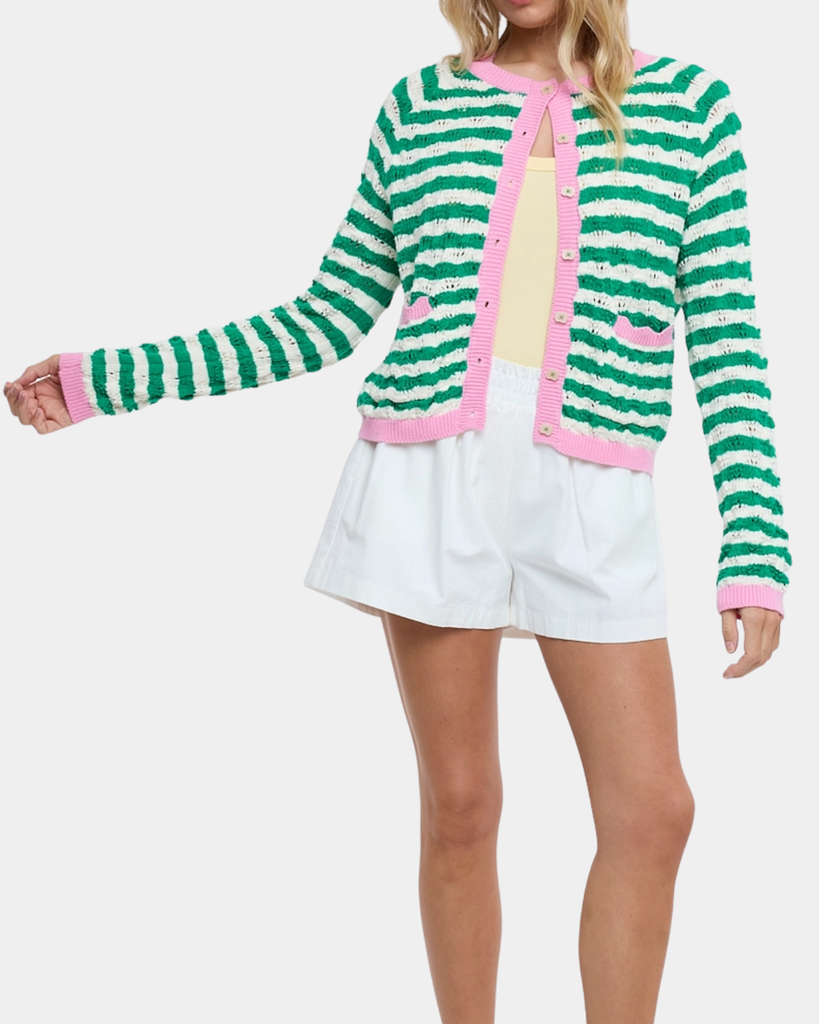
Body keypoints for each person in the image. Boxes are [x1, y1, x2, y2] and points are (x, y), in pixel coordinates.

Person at [3, 0, 791, 1021]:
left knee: (652, 811)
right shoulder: (423, 104)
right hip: (429, 479)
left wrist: (755, 542)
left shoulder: (688, 106)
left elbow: (727, 340)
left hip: (594, 491)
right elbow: (324, 317)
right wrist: (106, 380)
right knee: (460, 806)